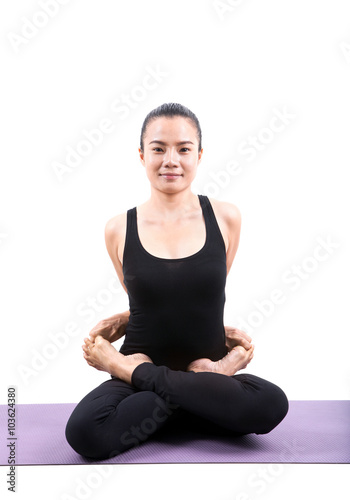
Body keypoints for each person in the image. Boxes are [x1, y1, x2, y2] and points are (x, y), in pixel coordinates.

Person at [65, 102, 289, 460]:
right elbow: (149, 299)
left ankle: (160, 397)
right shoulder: (118, 228)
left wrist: (119, 365)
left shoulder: (227, 217)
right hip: (190, 381)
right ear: (141, 155)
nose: (171, 159)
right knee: (83, 432)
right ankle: (193, 403)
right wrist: (127, 324)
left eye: (184, 149)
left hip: (183, 372)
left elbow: (199, 291)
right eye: (158, 148)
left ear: (199, 156)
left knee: (273, 404)